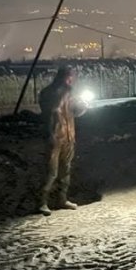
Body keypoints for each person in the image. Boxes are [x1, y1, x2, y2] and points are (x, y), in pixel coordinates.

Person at [38, 65, 89, 216]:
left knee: (65, 170)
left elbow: (74, 112)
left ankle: (62, 199)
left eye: (72, 77)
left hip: (68, 136)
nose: (71, 80)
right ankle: (42, 202)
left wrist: (84, 107)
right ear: (63, 77)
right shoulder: (49, 93)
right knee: (51, 172)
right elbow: (51, 110)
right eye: (69, 77)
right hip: (54, 137)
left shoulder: (69, 94)